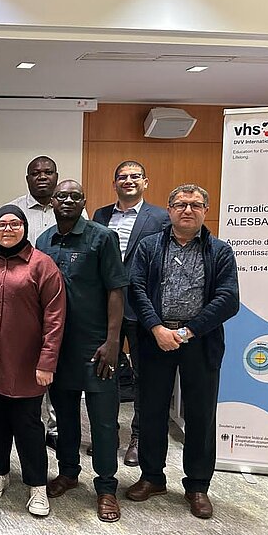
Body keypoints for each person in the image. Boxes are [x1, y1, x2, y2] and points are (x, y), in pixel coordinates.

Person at [126, 184, 239, 520]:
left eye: (195, 204)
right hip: (155, 339)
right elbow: (136, 289)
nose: (187, 210)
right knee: (151, 411)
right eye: (180, 204)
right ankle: (152, 477)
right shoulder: (149, 246)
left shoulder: (220, 251)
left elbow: (228, 299)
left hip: (200, 341)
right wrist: (157, 328)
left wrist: (189, 331)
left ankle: (197, 486)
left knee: (201, 415)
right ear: (170, 209)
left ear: (206, 210)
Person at [36, 180, 127, 523]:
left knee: (103, 421)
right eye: (62, 196)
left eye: (75, 196)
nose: (68, 200)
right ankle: (68, 473)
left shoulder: (102, 237)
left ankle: (106, 487)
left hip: (97, 345)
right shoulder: (44, 241)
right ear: (53, 201)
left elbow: (116, 290)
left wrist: (114, 341)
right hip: (59, 345)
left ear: (84, 202)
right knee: (65, 416)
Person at [0, 205, 65, 517]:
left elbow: (55, 317)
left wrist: (47, 361)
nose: (8, 229)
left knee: (28, 425)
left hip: (26, 362)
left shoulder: (42, 264)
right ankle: (0, 472)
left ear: (24, 227)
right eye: (1, 224)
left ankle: (37, 485)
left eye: (14, 224)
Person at [92, 160, 170, 466]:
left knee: (143, 375)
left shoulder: (160, 217)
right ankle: (107, 434)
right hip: (105, 307)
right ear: (114, 184)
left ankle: (138, 436)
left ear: (145, 182)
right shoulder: (101, 215)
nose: (128, 181)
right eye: (122, 177)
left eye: (135, 176)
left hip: (142, 307)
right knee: (104, 371)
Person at [10, 155, 86, 450]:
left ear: (56, 176)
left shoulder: (74, 207)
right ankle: (31, 424)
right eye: (35, 173)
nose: (42, 177)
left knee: (58, 364)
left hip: (65, 299)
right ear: (27, 179)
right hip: (26, 301)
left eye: (48, 172)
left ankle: (56, 427)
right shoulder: (16, 208)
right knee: (30, 365)